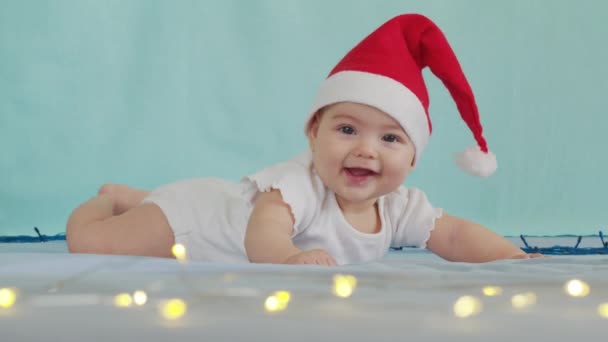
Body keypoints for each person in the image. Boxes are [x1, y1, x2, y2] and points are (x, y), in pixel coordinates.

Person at [66, 13, 542, 265]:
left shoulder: (399, 206)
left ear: (415, 158)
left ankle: (138, 196)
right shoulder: (299, 185)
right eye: (347, 129)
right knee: (90, 244)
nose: (365, 149)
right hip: (194, 222)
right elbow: (263, 233)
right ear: (314, 134)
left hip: (222, 199)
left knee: (180, 198)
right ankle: (110, 199)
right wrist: (290, 259)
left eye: (391, 139)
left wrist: (512, 257)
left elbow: (455, 235)